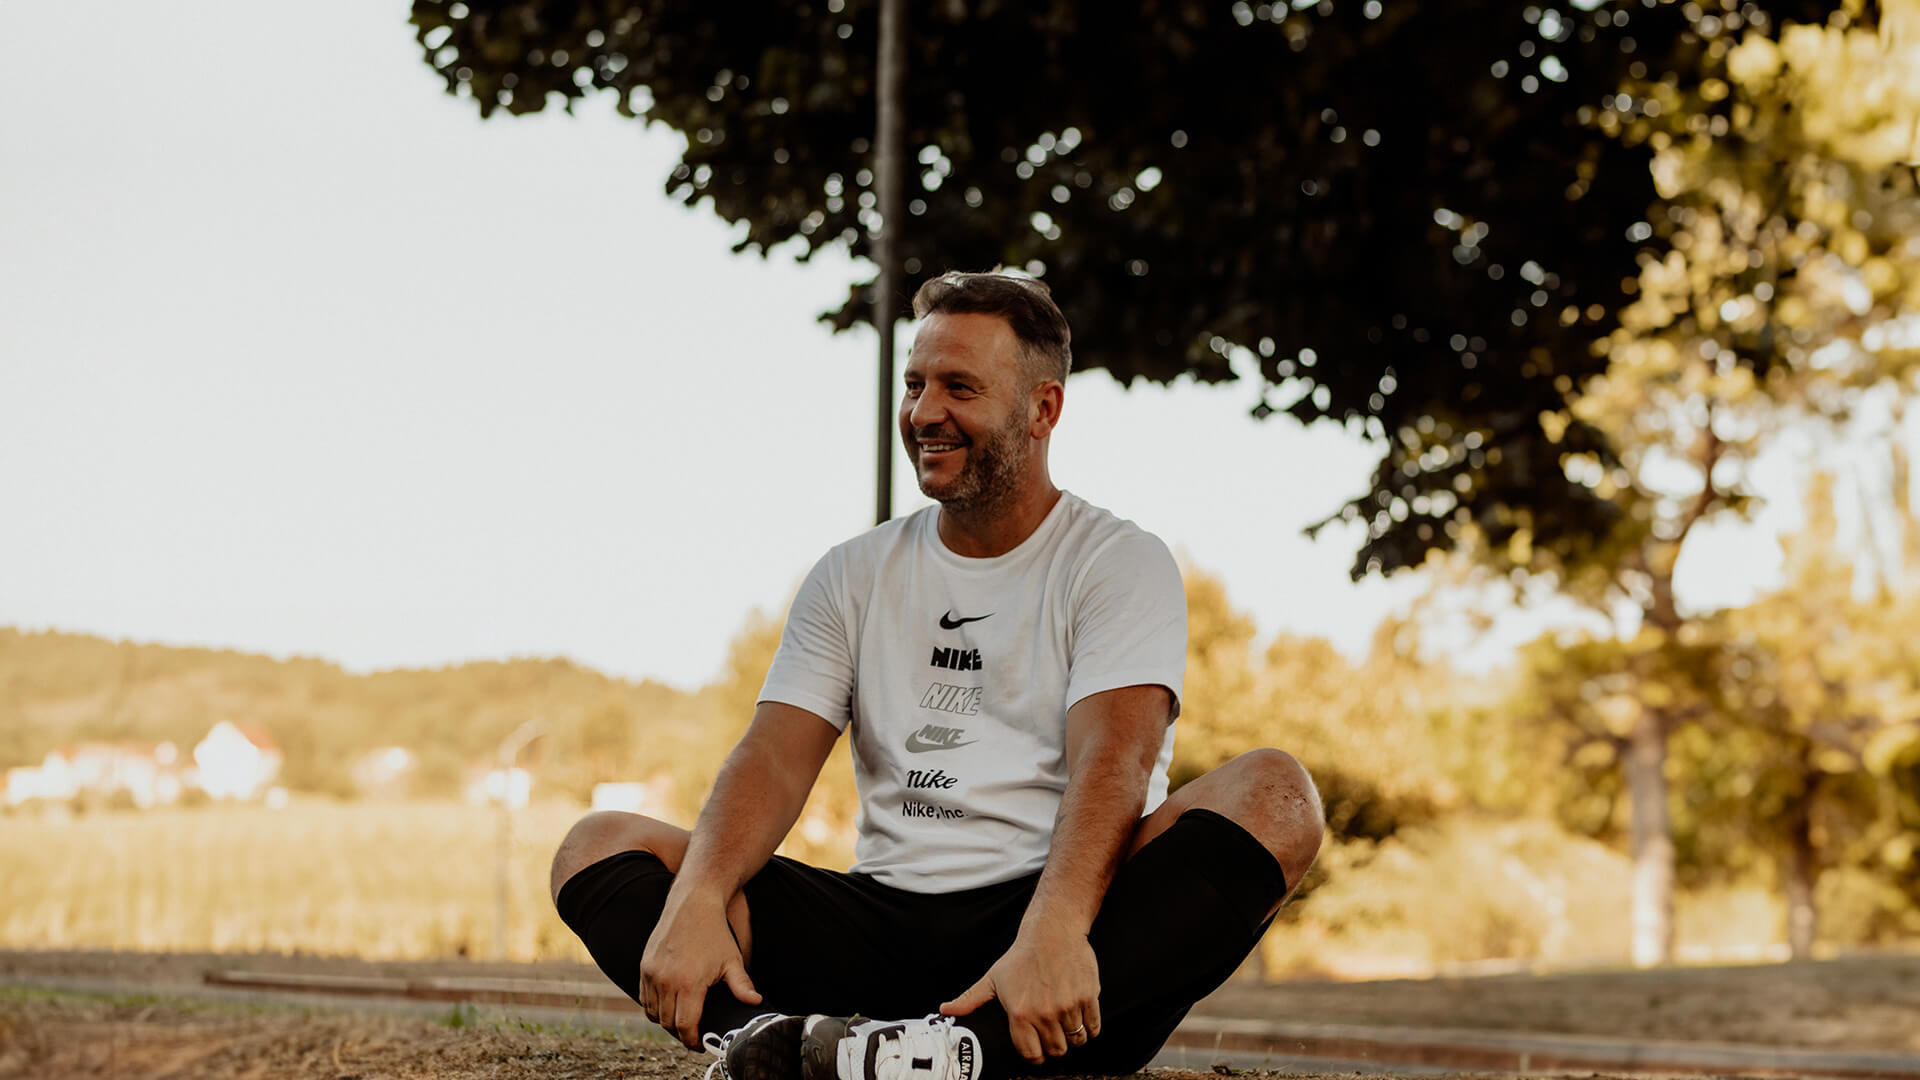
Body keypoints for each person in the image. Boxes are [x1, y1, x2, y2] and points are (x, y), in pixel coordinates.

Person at [549, 271, 1324, 1080]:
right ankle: (772, 1047)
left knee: (1276, 793)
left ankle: (961, 1059)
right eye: (915, 384)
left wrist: (1055, 930)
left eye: (959, 387)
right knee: (596, 846)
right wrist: (700, 895)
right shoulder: (853, 573)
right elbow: (775, 756)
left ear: (1043, 410)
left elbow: (1116, 762)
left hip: (1052, 935)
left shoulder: (1116, 562)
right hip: (879, 923)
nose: (923, 413)